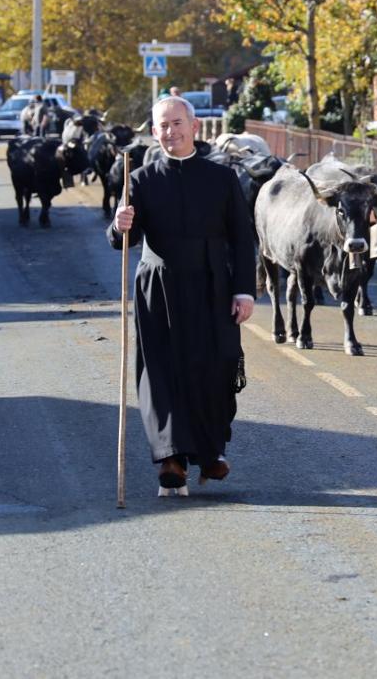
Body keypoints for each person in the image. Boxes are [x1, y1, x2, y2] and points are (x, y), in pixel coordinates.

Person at [108, 95, 258, 494]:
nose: (170, 131)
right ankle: (171, 459)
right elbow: (124, 238)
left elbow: (243, 240)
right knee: (162, 371)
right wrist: (120, 224)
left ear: (194, 127)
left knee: (216, 365)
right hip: (158, 287)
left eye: (177, 123)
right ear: (154, 133)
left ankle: (211, 453)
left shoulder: (222, 179)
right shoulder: (139, 179)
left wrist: (244, 290)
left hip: (212, 285)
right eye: (162, 126)